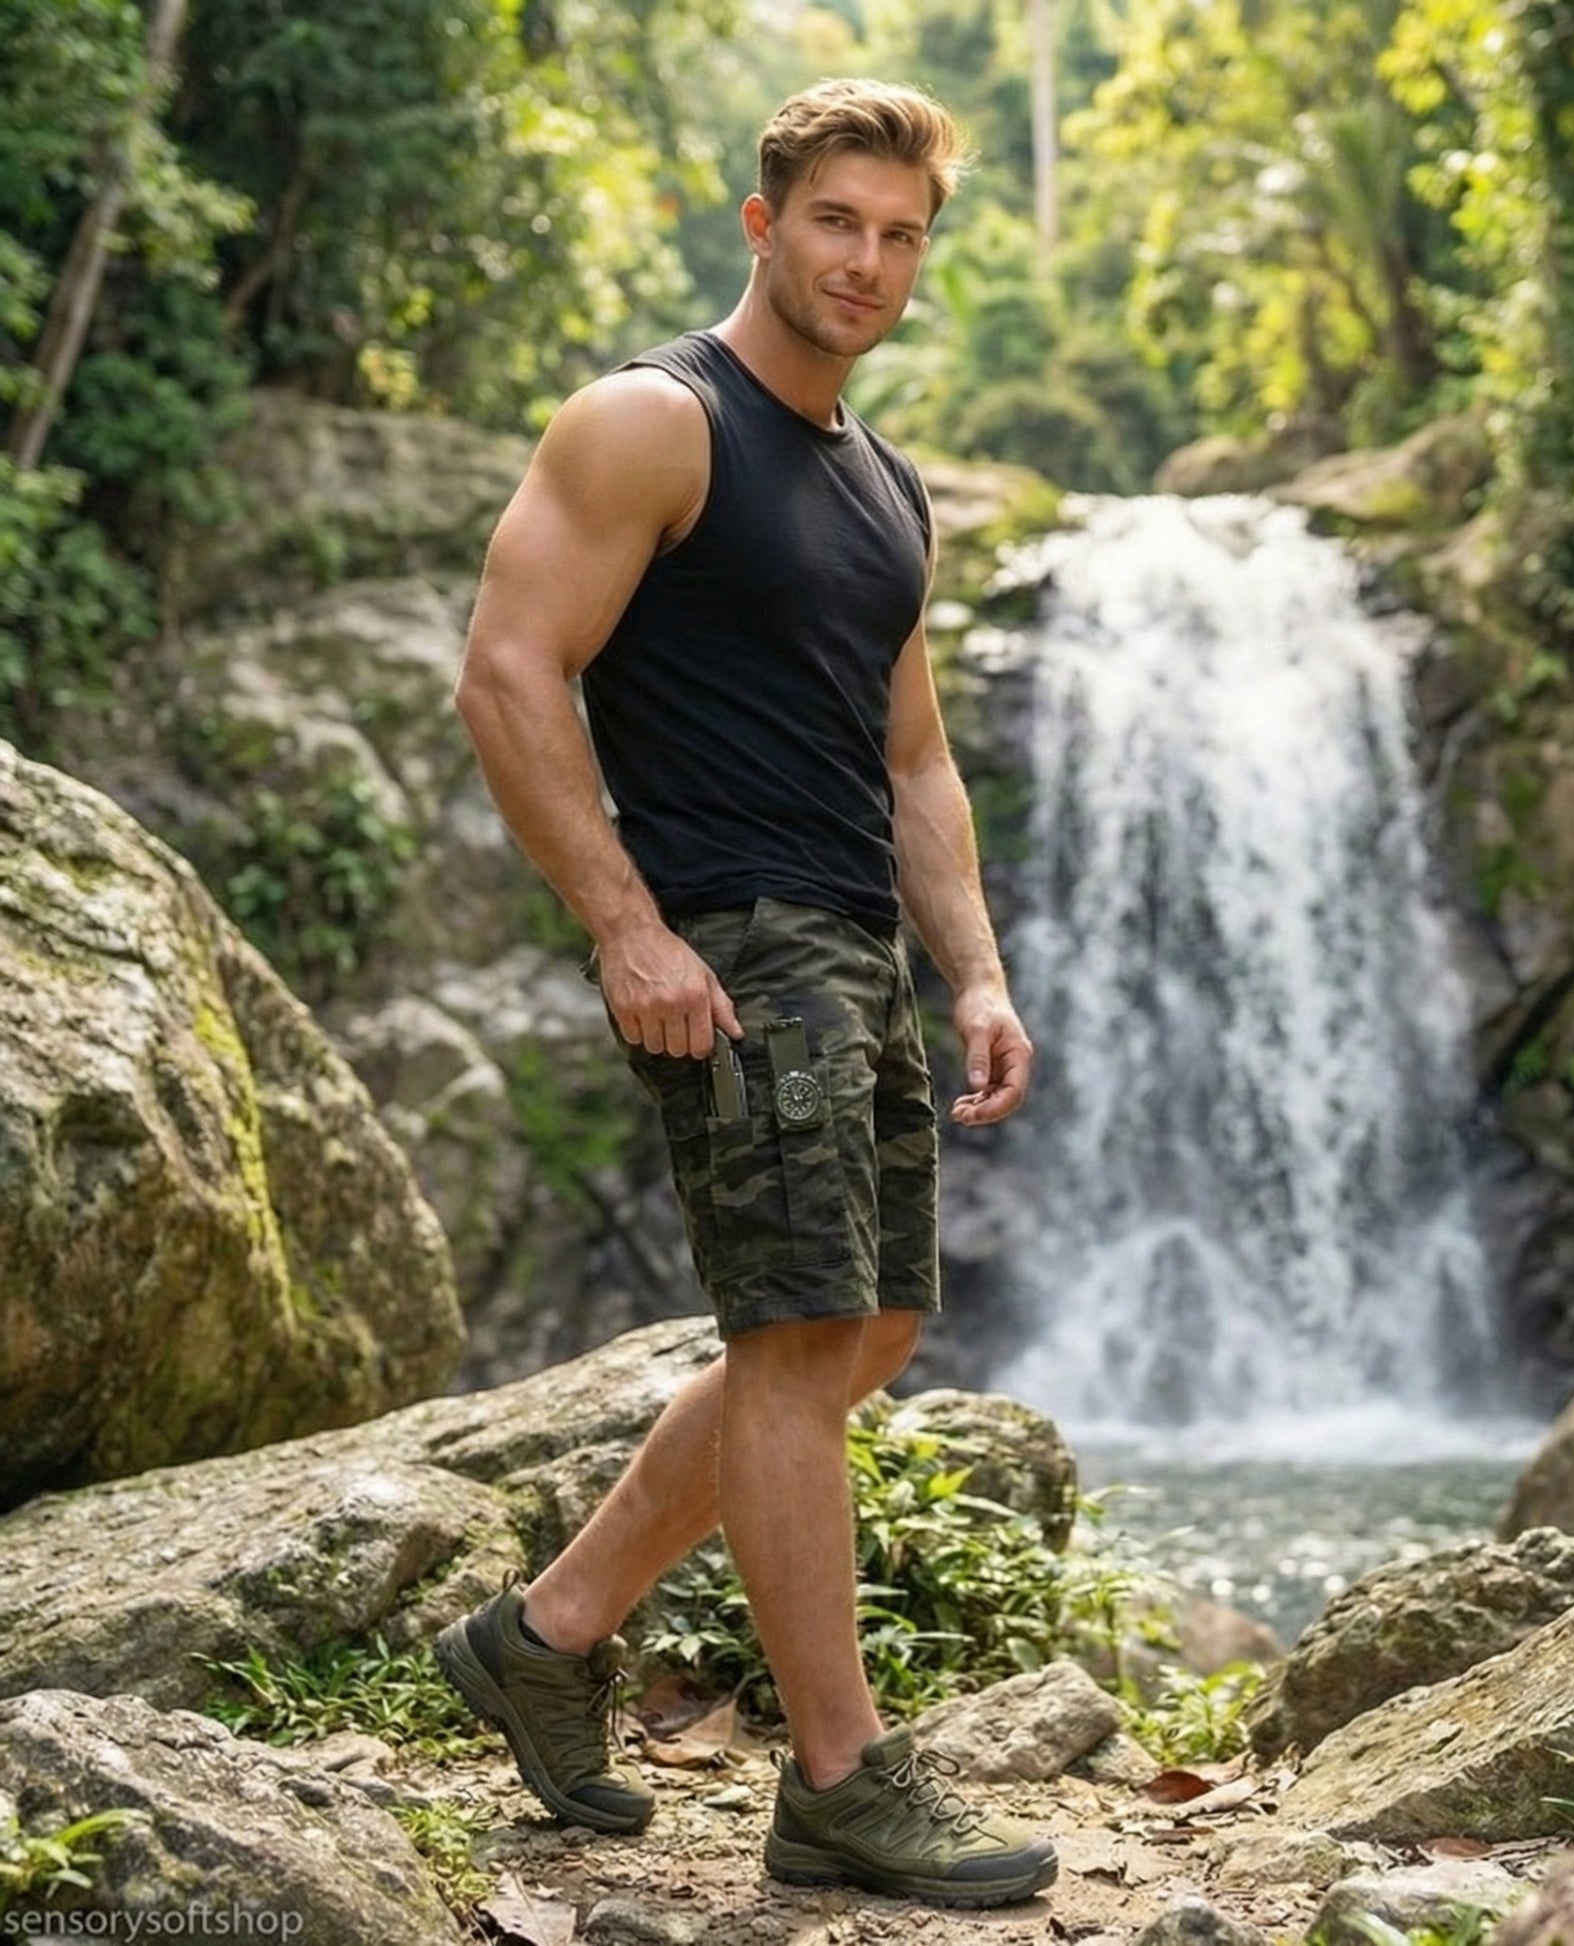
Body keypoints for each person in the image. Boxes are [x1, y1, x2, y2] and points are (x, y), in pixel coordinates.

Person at [432, 78, 1056, 1910]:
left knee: (868, 1332)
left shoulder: (887, 483)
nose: (867, 260)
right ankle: (842, 1779)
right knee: (796, 1338)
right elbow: (507, 669)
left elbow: (915, 756)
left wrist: (976, 970)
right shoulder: (655, 419)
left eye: (900, 234)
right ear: (764, 223)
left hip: (856, 943)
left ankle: (548, 1633)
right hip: (732, 932)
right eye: (836, 221)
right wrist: (628, 927)